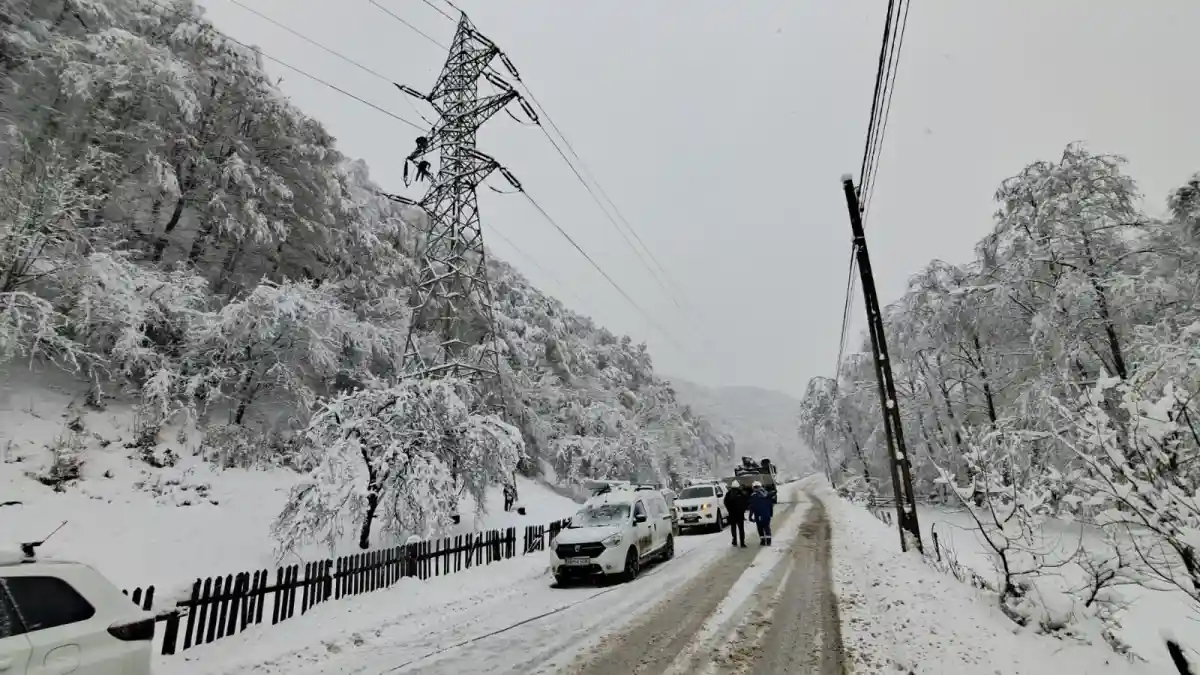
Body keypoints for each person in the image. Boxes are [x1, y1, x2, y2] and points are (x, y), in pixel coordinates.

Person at [723, 480, 748, 548]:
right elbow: (746, 502)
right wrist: (743, 510)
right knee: (741, 529)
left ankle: (734, 541)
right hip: (740, 514)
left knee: (733, 528)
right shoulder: (741, 493)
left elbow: (725, 502)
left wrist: (729, 510)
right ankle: (742, 543)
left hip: (732, 514)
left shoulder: (728, 494)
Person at [748, 481, 774, 545]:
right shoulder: (767, 494)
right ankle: (768, 541)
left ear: (753, 487)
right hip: (766, 514)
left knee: (760, 528)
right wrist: (771, 513)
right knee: (766, 527)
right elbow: (770, 505)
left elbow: (752, 507)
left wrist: (750, 516)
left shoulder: (753, 496)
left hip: (758, 515)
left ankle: (762, 541)